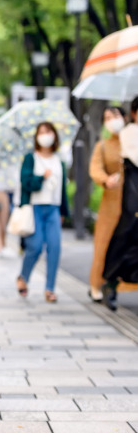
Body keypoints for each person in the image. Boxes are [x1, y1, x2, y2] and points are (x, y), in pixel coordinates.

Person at [16, 122, 69, 303]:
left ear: (54, 135)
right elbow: (25, 181)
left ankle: (50, 288)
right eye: (42, 132)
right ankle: (23, 277)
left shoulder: (59, 160)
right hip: (35, 208)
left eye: (48, 132)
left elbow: (62, 189)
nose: (45, 135)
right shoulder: (31, 158)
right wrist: (41, 177)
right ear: (36, 137)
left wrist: (63, 212)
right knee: (35, 247)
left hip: (53, 208)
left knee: (55, 248)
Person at [103, 96, 138, 310]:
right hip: (133, 194)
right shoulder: (129, 132)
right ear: (134, 112)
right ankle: (111, 284)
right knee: (127, 236)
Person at [88, 107, 126, 303]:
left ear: (125, 117)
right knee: (103, 243)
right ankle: (96, 283)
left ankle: (121, 283)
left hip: (131, 202)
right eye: (107, 118)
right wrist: (106, 179)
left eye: (115, 116)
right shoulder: (103, 145)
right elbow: (95, 168)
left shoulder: (132, 141)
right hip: (110, 202)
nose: (111, 120)